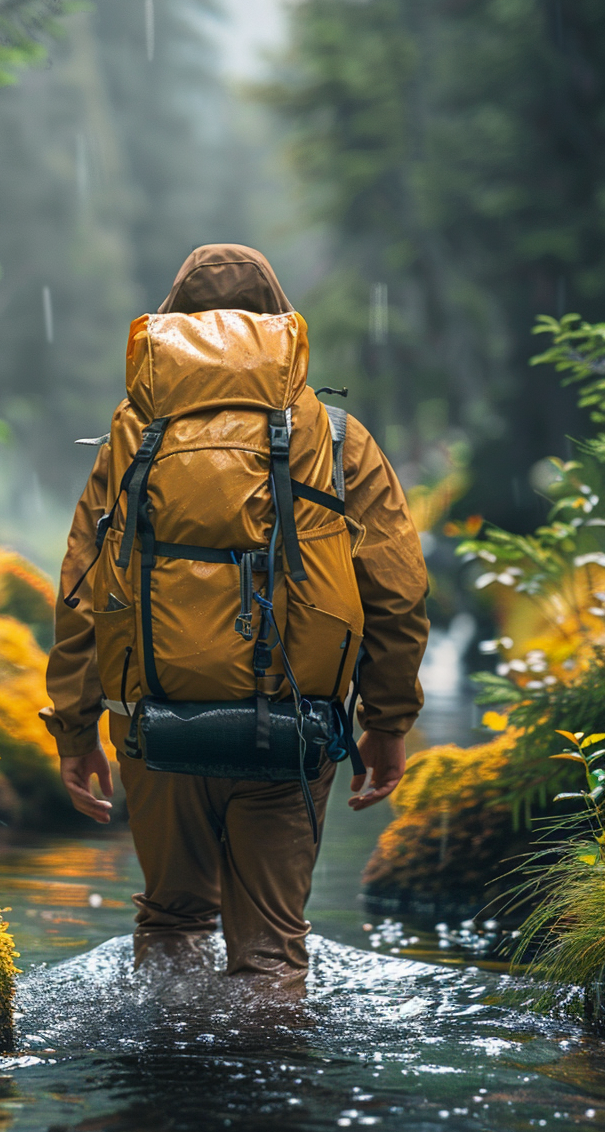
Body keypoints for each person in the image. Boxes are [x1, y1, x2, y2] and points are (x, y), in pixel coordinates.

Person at [41, 244, 428, 980]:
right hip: (292, 721)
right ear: (282, 322)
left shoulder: (132, 435)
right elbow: (397, 593)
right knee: (272, 950)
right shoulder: (338, 439)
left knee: (172, 917)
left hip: (151, 717)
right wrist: (388, 723)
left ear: (171, 323)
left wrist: (74, 727)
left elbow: (81, 587)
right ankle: (267, 1084)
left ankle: (166, 1087)